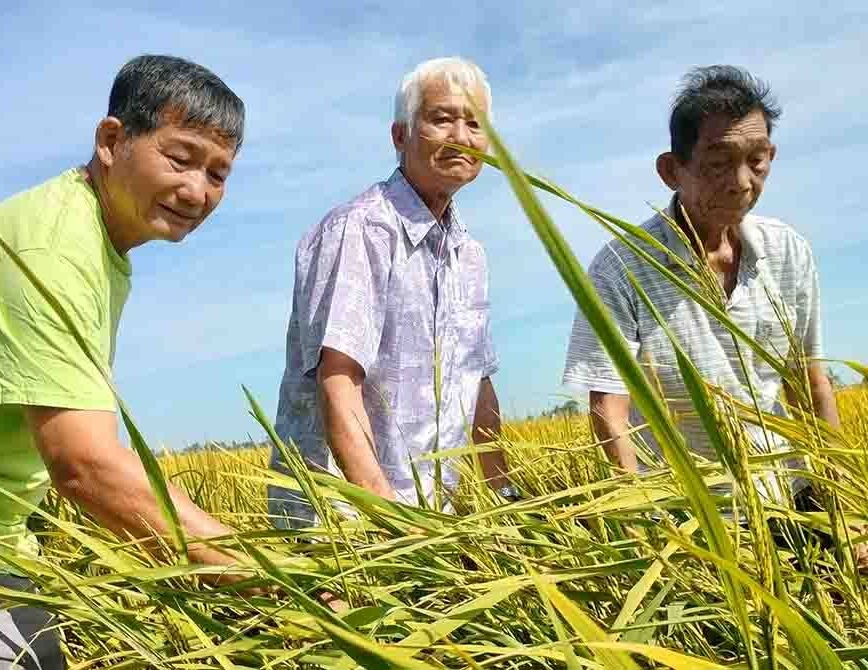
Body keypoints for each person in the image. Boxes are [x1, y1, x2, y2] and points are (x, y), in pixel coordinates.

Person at [0, 54, 248, 668]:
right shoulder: (51, 245)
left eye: (218, 173)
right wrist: (271, 576)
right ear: (112, 139)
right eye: (180, 158)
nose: (196, 190)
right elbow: (86, 466)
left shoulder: (95, 244)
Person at [562, 65, 838, 503]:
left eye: (756, 160)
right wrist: (648, 523)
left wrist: (841, 506)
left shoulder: (788, 251)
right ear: (672, 170)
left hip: (792, 499)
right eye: (719, 163)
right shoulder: (621, 267)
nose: (742, 183)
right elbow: (608, 410)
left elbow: (809, 383)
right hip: (690, 515)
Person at [268, 57, 515, 529]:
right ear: (400, 135)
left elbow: (477, 385)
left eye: (475, 124)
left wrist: (506, 501)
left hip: (428, 520)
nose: (461, 137)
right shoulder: (360, 230)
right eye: (441, 118)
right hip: (345, 527)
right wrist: (392, 523)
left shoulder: (470, 254)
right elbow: (338, 382)